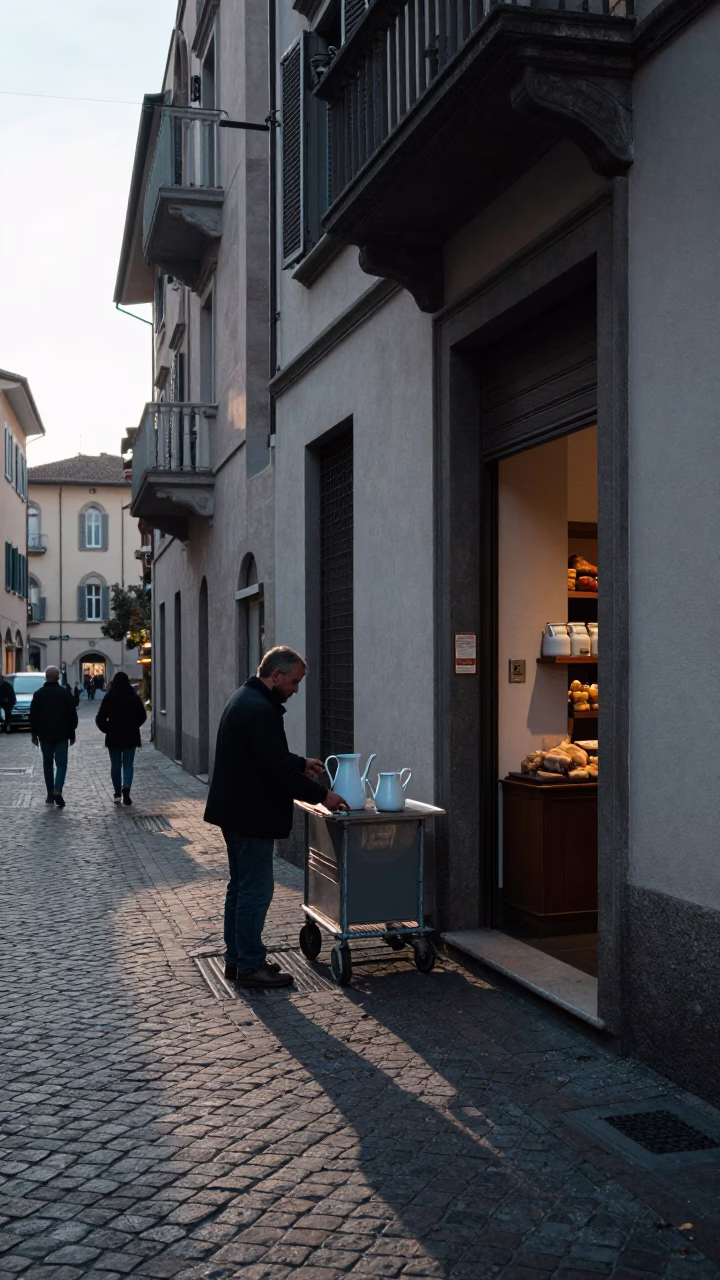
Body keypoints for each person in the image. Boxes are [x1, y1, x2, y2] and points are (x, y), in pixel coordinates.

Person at [204, 645, 349, 989]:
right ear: (277, 675)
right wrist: (323, 796)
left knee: (241, 888)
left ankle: (237, 960)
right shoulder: (259, 710)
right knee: (256, 890)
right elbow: (276, 769)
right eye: (294, 682)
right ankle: (251, 965)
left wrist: (301, 763)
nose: (295, 690)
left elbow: (267, 755)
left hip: (237, 812)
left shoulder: (248, 699)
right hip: (250, 814)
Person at [95, 671, 147, 805]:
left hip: (114, 736)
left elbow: (100, 718)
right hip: (130, 736)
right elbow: (143, 716)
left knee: (115, 765)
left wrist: (107, 729)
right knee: (128, 764)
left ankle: (117, 793)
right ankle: (127, 789)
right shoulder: (134, 697)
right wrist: (134, 726)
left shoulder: (109, 697)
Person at [30, 665, 78, 808]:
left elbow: (33, 716)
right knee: (62, 764)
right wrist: (72, 733)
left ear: (46, 677)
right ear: (58, 677)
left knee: (48, 764)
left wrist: (34, 733)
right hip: (62, 734)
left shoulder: (39, 694)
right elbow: (72, 716)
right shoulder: (65, 694)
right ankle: (58, 788)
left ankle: (50, 793)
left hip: (44, 735)